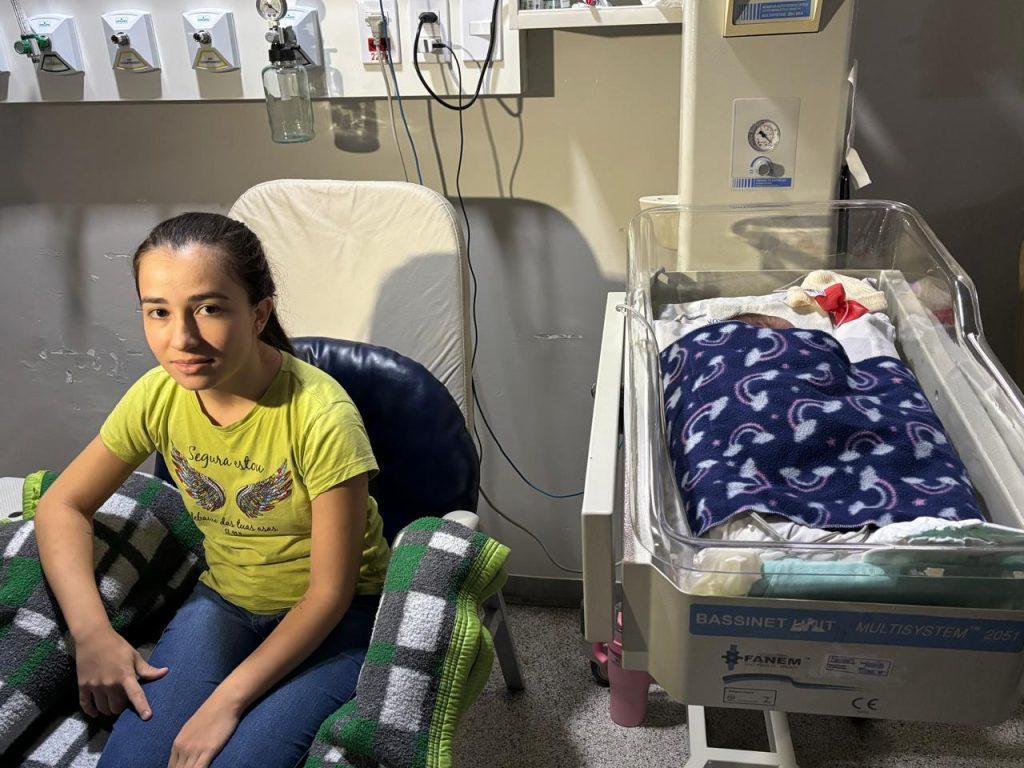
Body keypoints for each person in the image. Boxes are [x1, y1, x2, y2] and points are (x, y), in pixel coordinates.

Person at [34, 212, 389, 768]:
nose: (182, 338)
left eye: (209, 309)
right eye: (158, 311)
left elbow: (328, 595)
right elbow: (62, 503)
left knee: (239, 757)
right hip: (226, 601)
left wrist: (224, 702)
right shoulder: (158, 395)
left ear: (259, 313)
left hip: (341, 619)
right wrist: (92, 633)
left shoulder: (323, 418)